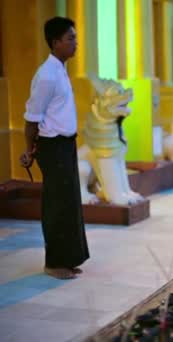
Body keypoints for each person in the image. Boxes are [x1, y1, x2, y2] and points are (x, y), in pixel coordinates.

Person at [19, 17, 89, 280]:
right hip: (52, 147)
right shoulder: (47, 75)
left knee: (70, 203)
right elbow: (31, 118)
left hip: (65, 145)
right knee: (57, 206)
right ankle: (54, 263)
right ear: (55, 42)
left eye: (75, 37)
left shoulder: (59, 69)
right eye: (70, 38)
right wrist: (29, 150)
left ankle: (69, 259)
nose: (76, 43)